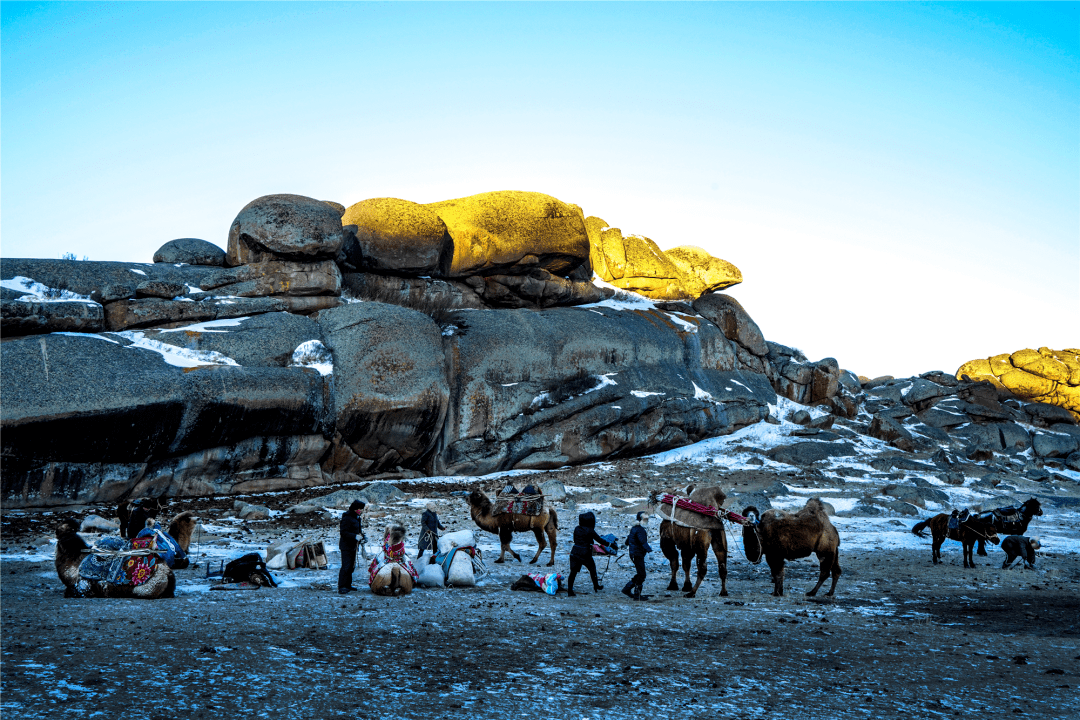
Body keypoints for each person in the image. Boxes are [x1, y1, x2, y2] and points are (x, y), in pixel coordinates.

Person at [567, 511, 609, 597]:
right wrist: (610, 544)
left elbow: (575, 540)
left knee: (573, 573)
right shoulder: (590, 530)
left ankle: (570, 591)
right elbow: (600, 540)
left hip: (575, 552)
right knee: (592, 570)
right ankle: (596, 586)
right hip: (585, 554)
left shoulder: (577, 528)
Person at [622, 511, 653, 601]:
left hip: (634, 553)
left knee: (640, 573)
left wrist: (627, 544)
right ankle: (637, 595)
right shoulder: (640, 530)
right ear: (641, 518)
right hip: (637, 554)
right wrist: (650, 551)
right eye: (645, 516)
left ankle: (627, 589)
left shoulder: (635, 528)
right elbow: (643, 542)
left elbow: (628, 540)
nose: (647, 517)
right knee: (642, 574)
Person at [338, 500, 366, 594]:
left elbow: (358, 530)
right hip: (346, 545)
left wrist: (362, 537)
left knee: (351, 566)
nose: (361, 510)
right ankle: (342, 586)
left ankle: (348, 585)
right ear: (355, 508)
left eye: (361, 509)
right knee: (346, 566)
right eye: (360, 509)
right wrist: (354, 536)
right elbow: (343, 532)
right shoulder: (347, 517)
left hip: (353, 545)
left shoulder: (357, 518)